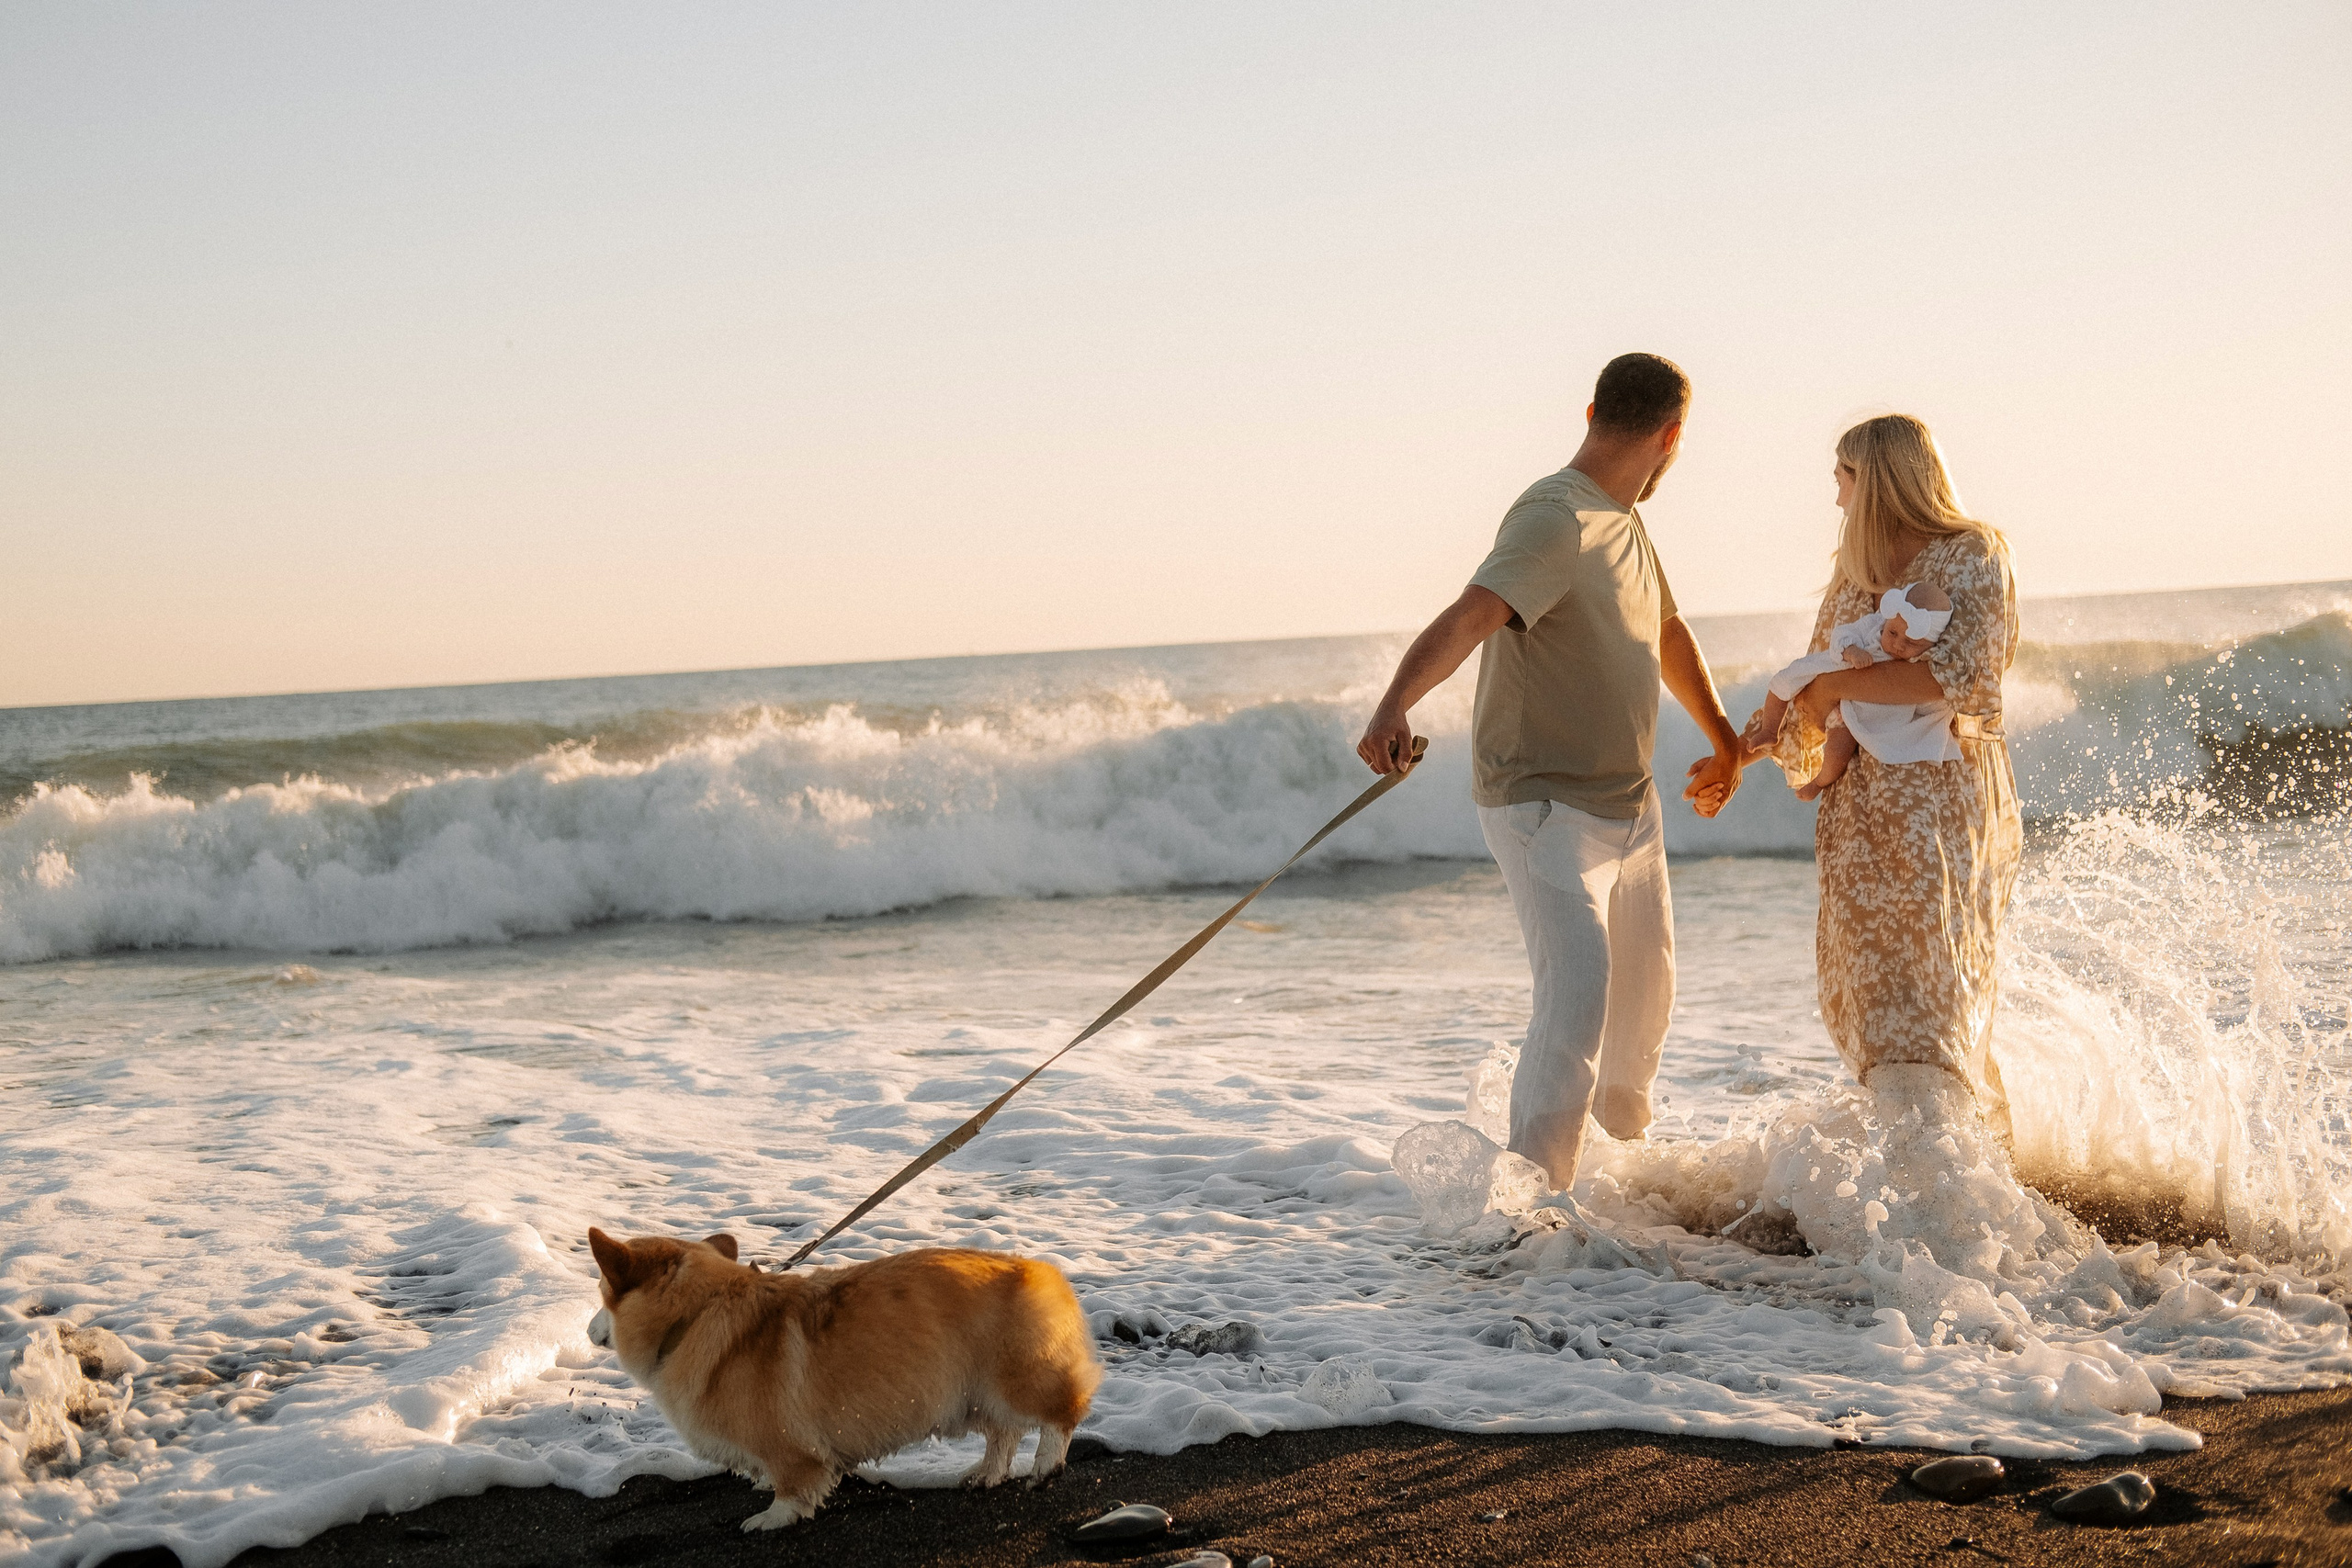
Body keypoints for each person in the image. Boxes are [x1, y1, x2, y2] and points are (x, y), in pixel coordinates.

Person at [1356, 352, 1747, 1190]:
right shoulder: (1555, 516)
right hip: (1545, 808)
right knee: (1574, 1002)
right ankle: (1528, 1219)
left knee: (1640, 1021)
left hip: (1630, 810)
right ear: (1673, 437)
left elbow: (1666, 632)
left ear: (1592, 411)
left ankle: (1614, 1195)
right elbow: (1472, 616)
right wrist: (1396, 702)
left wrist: (1724, 738)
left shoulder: (1623, 519)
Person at [1748, 413, 2020, 1134]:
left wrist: (1838, 689)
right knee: (1876, 1005)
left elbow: (1960, 679)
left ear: (1875, 480)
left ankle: (1966, 1188)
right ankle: (1931, 1182)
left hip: (1941, 801)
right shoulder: (1856, 571)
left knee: (1938, 997)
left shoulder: (1974, 554)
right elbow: (1815, 683)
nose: (1836, 498)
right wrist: (1741, 750)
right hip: (1862, 812)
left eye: (1842, 480)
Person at [1747, 578, 1954, 800]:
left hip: (1863, 709)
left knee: (1839, 749)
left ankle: (1819, 782)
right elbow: (1843, 633)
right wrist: (1851, 650)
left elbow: (1932, 696)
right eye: (1892, 633)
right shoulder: (1875, 624)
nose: (1898, 645)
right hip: (1838, 672)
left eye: (1912, 643)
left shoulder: (1924, 660)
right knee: (1785, 679)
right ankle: (1770, 729)